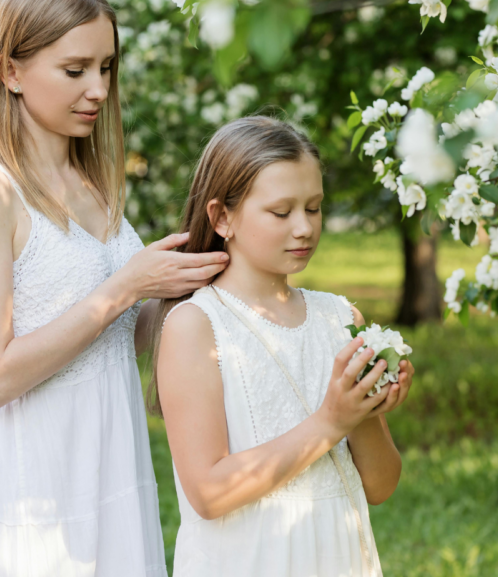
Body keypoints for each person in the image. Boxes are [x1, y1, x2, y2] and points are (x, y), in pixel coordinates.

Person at [0, 1, 227, 574]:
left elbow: (122, 336)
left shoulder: (93, 184)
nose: (97, 89)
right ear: (10, 72)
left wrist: (192, 282)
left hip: (111, 461)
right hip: (32, 477)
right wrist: (125, 286)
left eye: (107, 67)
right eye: (74, 71)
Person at [153, 116, 414, 577]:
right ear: (222, 217)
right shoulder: (196, 326)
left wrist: (365, 413)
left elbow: (381, 484)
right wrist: (331, 421)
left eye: (313, 208)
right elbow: (208, 493)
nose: (304, 228)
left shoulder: (339, 318)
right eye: (281, 212)